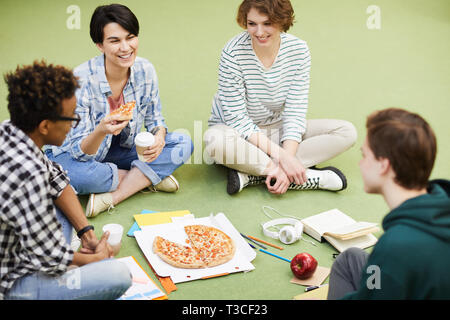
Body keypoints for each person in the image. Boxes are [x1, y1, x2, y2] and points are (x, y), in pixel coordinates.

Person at [45, 4, 194, 217]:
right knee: (74, 175)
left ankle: (111, 197)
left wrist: (159, 136)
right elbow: (79, 151)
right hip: (74, 153)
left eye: (130, 37)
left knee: (183, 143)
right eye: (115, 41)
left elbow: (155, 118)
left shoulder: (145, 70)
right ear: (99, 45)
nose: (125, 47)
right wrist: (101, 130)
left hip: (121, 148)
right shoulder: (79, 81)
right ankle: (147, 178)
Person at [0, 61, 132, 300]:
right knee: (118, 274)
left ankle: (71, 263)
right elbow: (49, 257)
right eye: (71, 118)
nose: (74, 124)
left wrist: (87, 233)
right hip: (11, 282)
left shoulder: (10, 129)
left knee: (62, 194)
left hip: (18, 244)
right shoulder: (27, 174)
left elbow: (59, 181)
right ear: (45, 126)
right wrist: (93, 259)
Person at [204, 0, 357, 195]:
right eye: (252, 24)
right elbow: (237, 119)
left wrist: (287, 155)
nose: (259, 32)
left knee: (346, 132)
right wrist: (283, 158)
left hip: (276, 129)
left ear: (282, 20)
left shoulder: (299, 50)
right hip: (237, 134)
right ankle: (304, 176)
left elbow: (295, 112)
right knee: (214, 140)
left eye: (267, 23)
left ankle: (254, 174)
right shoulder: (232, 53)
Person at [327, 108, 450, 299]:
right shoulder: (443, 202)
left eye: (364, 155)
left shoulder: (394, 247)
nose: (360, 164)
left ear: (383, 165)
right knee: (351, 258)